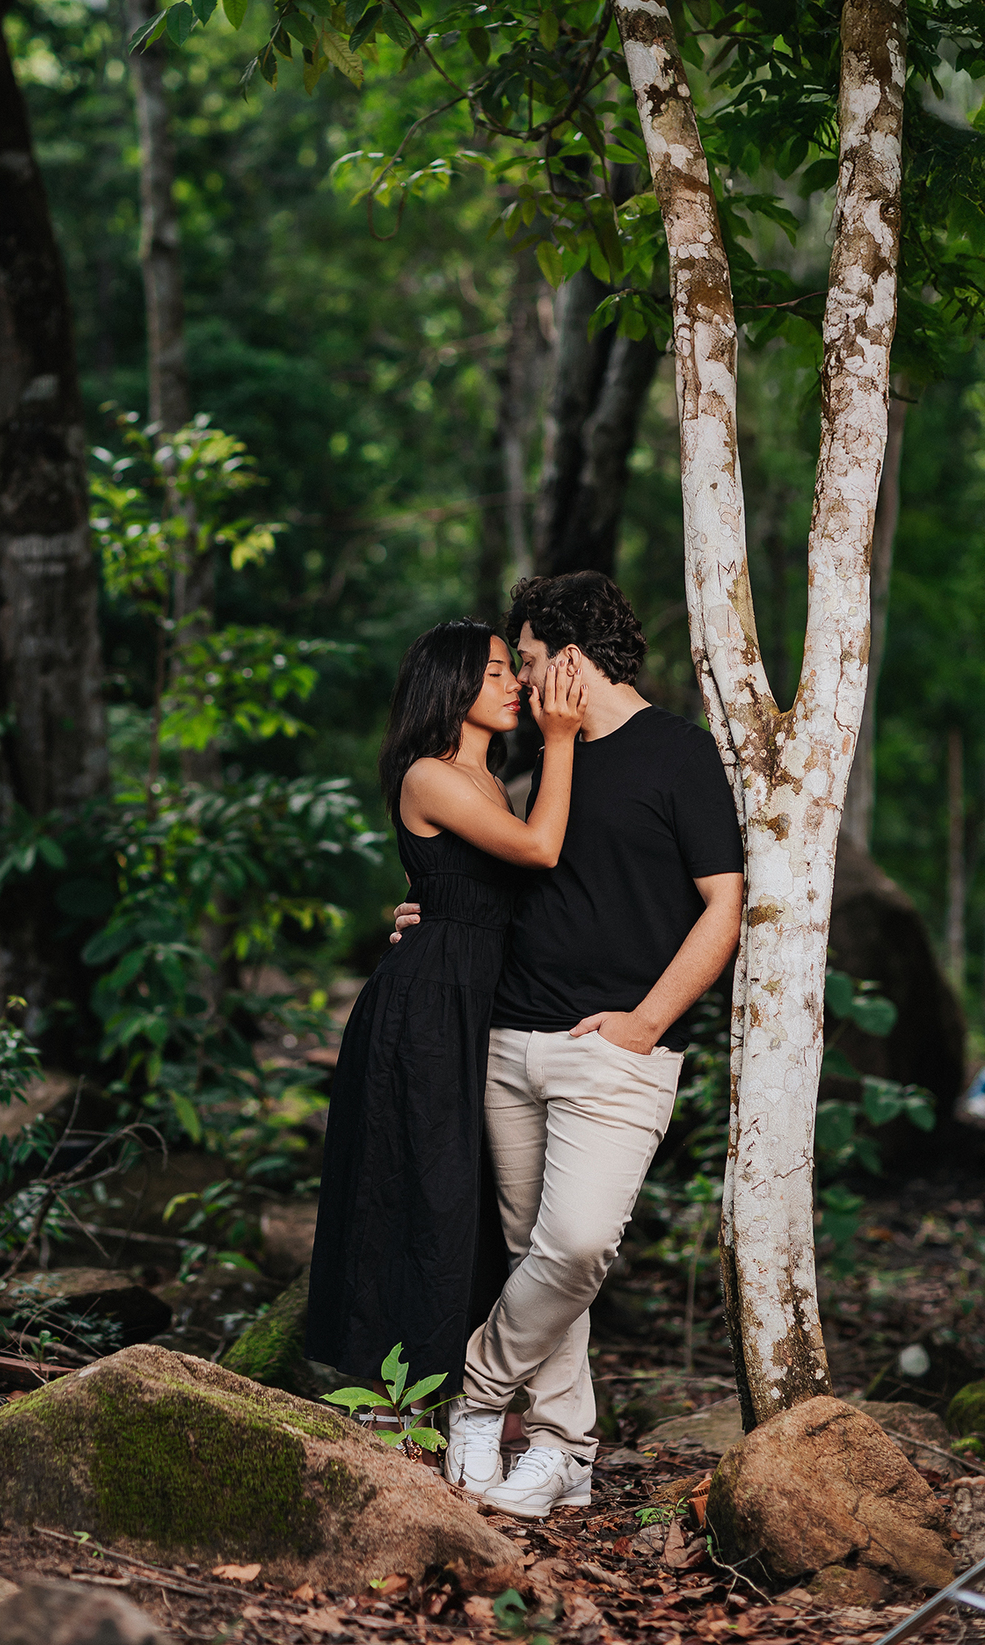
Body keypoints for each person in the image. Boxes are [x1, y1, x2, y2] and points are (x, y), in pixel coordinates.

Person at [394, 572, 745, 1516]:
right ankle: (562, 1453)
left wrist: (645, 1023)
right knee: (532, 1256)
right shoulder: (528, 771)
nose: (520, 684)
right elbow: (493, 886)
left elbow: (726, 905)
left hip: (616, 1051)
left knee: (578, 1246)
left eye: (531, 661)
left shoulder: (679, 753)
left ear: (572, 659)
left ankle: (476, 1392)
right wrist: (423, 917)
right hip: (507, 1039)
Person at [305, 619, 587, 1409]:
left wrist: (430, 905)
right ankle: (406, 1397)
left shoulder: (491, 780)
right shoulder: (430, 774)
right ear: (452, 685)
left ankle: (470, 1395)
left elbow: (488, 890)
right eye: (496, 672)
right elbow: (536, 852)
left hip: (476, 1004)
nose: (516, 686)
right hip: (425, 1010)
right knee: (421, 1191)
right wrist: (559, 737)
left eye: (512, 671)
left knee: (471, 1201)